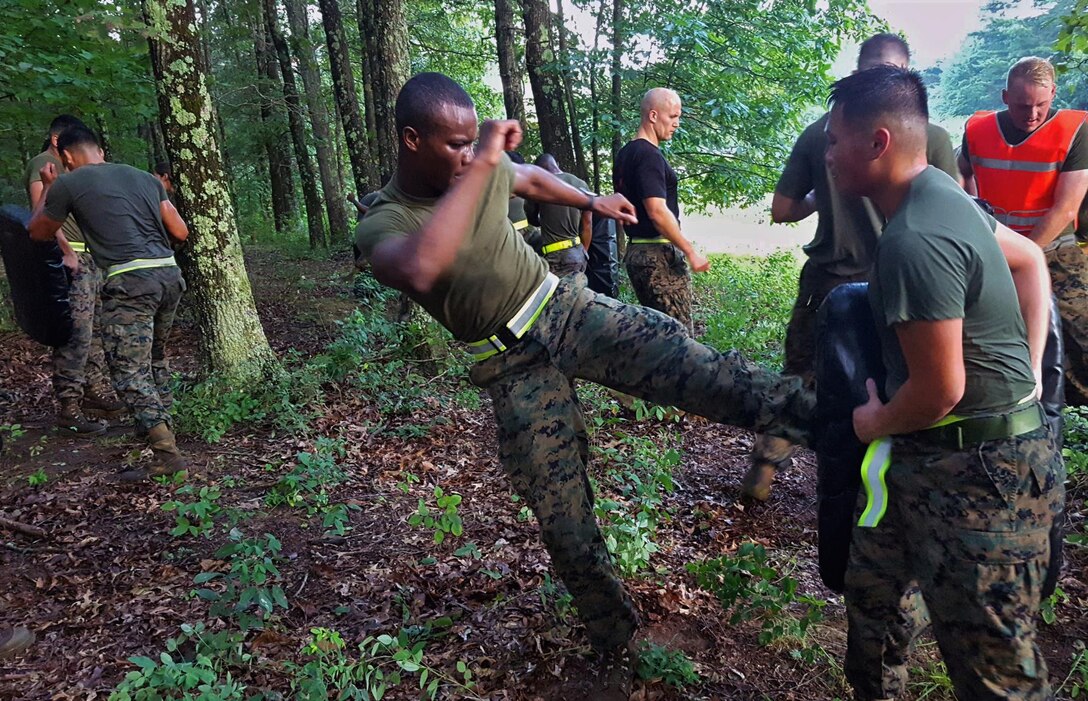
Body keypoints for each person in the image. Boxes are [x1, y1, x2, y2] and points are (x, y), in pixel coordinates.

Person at [355, 72, 815, 699]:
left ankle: (846, 424)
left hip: (569, 309)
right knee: (561, 512)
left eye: (472, 143)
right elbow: (420, 264)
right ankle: (617, 635)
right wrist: (485, 159)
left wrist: (590, 201)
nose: (468, 156)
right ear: (411, 140)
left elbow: (529, 179)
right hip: (509, 366)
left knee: (705, 371)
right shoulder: (385, 220)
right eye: (454, 146)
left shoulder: (480, 168)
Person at [826, 65, 1063, 701]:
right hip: (926, 461)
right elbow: (1031, 260)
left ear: (877, 143)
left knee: (997, 677)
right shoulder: (940, 193)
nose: (827, 153)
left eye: (833, 140)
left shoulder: (915, 238)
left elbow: (939, 391)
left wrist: (872, 421)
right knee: (873, 613)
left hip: (982, 482)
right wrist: (1032, 372)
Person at [741, 33, 961, 502]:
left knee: (799, 377)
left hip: (827, 282)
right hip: (898, 285)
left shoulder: (821, 132)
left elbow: (783, 208)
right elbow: (952, 210)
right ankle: (878, 486)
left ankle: (765, 468)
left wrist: (826, 191)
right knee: (892, 381)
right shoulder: (931, 138)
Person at [27, 126, 191, 482]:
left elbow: (38, 232)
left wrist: (49, 186)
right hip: (169, 275)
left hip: (130, 282)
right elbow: (180, 231)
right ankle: (161, 424)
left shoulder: (70, 183)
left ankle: (166, 454)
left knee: (129, 370)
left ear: (66, 155)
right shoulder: (145, 178)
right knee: (155, 358)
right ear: (100, 149)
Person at [959, 56, 1088, 406]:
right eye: (1022, 105)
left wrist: (1025, 255)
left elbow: (1067, 207)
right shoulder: (977, 129)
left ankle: (1077, 404)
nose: (1032, 114)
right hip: (994, 247)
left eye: (1041, 105)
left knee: (1080, 328)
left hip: (1053, 248)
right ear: (1004, 97)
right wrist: (973, 211)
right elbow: (961, 174)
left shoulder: (1075, 130)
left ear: (1054, 95)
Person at [23, 115, 126, 436]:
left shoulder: (76, 170)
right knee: (76, 333)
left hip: (94, 256)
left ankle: (91, 392)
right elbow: (40, 214)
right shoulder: (44, 164)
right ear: (58, 142)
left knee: (94, 331)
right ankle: (69, 406)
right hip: (71, 260)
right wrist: (66, 251)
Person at [614, 88, 708, 335]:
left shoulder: (626, 154)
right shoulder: (649, 155)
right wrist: (690, 251)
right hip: (658, 256)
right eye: (673, 116)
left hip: (636, 252)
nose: (677, 124)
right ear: (653, 115)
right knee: (679, 340)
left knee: (658, 336)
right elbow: (656, 210)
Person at [524, 153, 592, 277]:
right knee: (578, 294)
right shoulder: (580, 184)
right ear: (557, 165)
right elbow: (587, 224)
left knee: (556, 295)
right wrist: (584, 251)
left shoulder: (540, 186)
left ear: (539, 171)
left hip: (555, 257)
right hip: (578, 253)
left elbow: (532, 218)